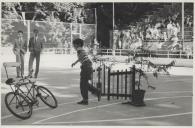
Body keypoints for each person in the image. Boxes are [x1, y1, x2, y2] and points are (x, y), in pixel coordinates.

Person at [71, 38, 101, 105]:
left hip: (86, 67)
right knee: (84, 83)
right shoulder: (81, 50)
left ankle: (85, 100)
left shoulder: (79, 50)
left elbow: (81, 56)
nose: (73, 46)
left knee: (83, 84)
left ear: (78, 45)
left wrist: (78, 63)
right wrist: (75, 63)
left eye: (74, 45)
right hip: (87, 66)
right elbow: (81, 57)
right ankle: (97, 92)